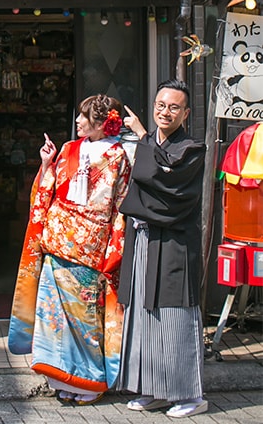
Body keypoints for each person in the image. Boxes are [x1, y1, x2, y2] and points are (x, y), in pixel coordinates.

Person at [8, 94, 131, 405]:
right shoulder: (67, 149)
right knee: (54, 318)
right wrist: (47, 162)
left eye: (84, 117)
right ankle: (61, 376)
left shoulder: (118, 157)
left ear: (103, 123)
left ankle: (89, 381)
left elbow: (120, 208)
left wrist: (114, 250)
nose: (77, 121)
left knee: (85, 317)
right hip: (57, 242)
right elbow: (46, 189)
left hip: (91, 246)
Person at [117, 78, 208, 418]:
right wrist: (142, 141)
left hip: (174, 244)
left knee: (174, 317)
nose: (164, 112)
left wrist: (141, 138)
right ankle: (151, 389)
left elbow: (167, 183)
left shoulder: (192, 149)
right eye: (160, 105)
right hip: (143, 239)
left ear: (186, 112)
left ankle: (190, 395)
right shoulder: (149, 142)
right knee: (141, 313)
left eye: (173, 107)